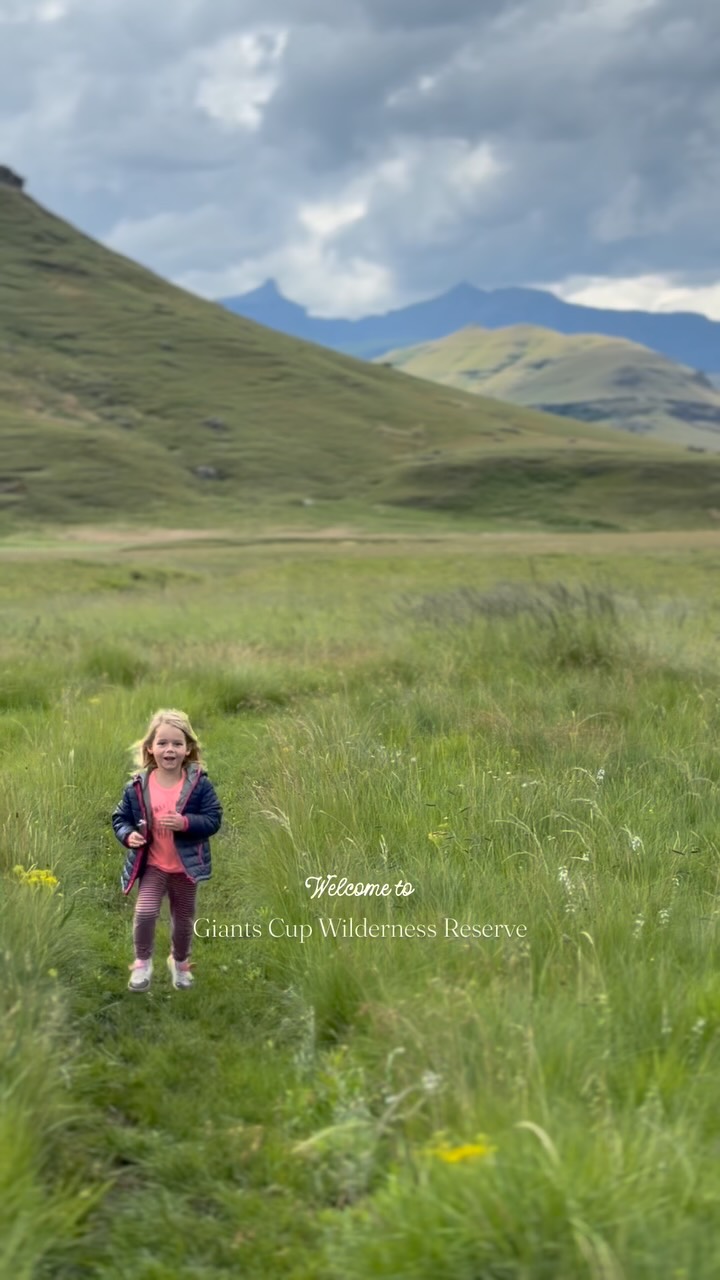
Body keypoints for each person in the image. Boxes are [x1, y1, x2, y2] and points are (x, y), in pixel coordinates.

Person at [111, 709, 222, 992]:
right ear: (150, 747)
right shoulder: (138, 786)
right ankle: (142, 963)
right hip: (153, 866)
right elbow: (120, 818)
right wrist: (129, 835)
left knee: (183, 921)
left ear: (188, 749)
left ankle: (180, 963)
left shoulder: (199, 785)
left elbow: (213, 819)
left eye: (176, 743)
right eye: (162, 743)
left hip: (185, 868)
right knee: (145, 913)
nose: (169, 749)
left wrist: (185, 822)